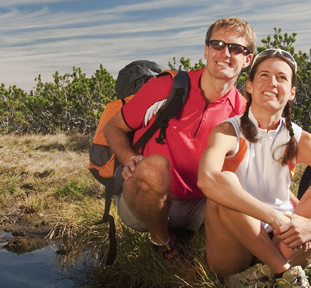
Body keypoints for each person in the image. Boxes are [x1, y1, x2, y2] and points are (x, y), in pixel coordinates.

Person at [197, 48, 311, 288]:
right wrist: (275, 217)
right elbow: (207, 179)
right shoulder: (229, 131)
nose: (273, 83)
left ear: (292, 92)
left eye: (282, 78)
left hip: (282, 241)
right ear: (249, 86)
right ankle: (287, 276)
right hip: (234, 247)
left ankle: (261, 278)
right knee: (224, 182)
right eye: (264, 75)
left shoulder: (300, 139)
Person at [104, 18, 254, 256]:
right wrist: (129, 157)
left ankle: (194, 244)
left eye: (236, 48)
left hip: (200, 205)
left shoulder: (243, 113)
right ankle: (161, 242)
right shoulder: (167, 87)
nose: (225, 53)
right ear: (206, 50)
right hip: (144, 202)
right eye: (217, 44)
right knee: (154, 166)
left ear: (247, 60)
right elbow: (114, 127)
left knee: (237, 195)